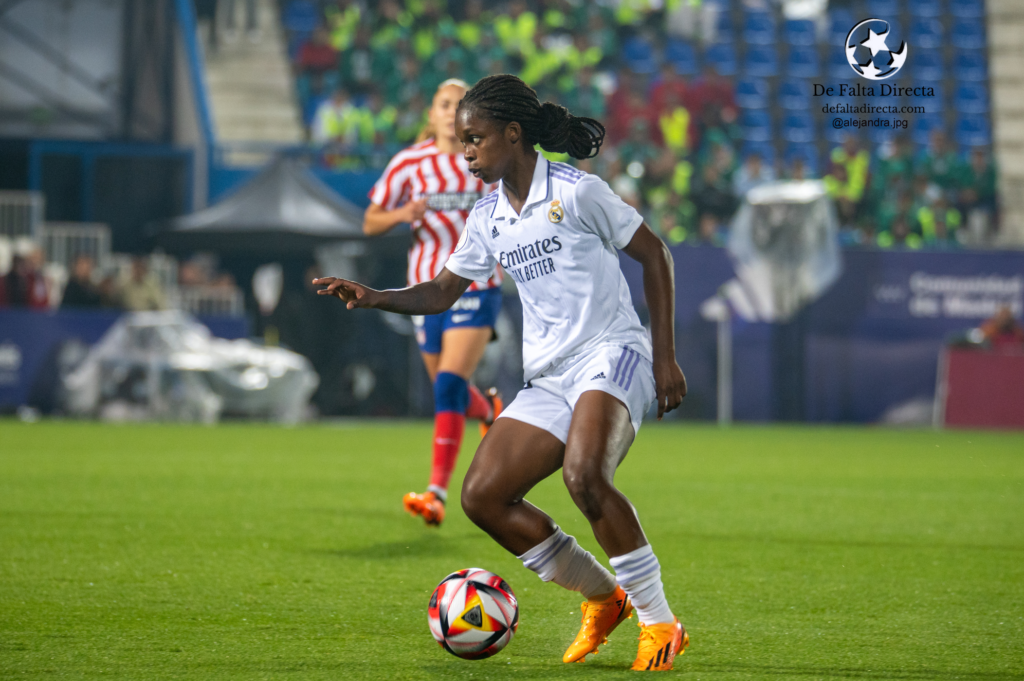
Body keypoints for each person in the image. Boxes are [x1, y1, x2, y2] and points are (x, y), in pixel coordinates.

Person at [315, 74, 689, 672]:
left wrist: (664, 355)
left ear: (512, 135)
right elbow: (442, 291)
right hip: (548, 377)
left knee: (585, 476)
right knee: (482, 497)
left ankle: (660, 620)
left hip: (611, 353)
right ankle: (604, 598)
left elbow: (655, 255)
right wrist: (373, 296)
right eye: (462, 140)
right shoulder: (488, 215)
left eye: (475, 139)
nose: (465, 152)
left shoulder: (578, 191)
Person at [361, 78, 504, 528]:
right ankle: (490, 411)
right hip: (424, 291)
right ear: (432, 113)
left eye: (459, 104)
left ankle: (437, 493)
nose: (450, 111)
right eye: (443, 103)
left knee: (446, 386)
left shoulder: (483, 158)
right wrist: (404, 214)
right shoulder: (410, 163)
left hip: (474, 285)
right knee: (453, 392)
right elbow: (370, 222)